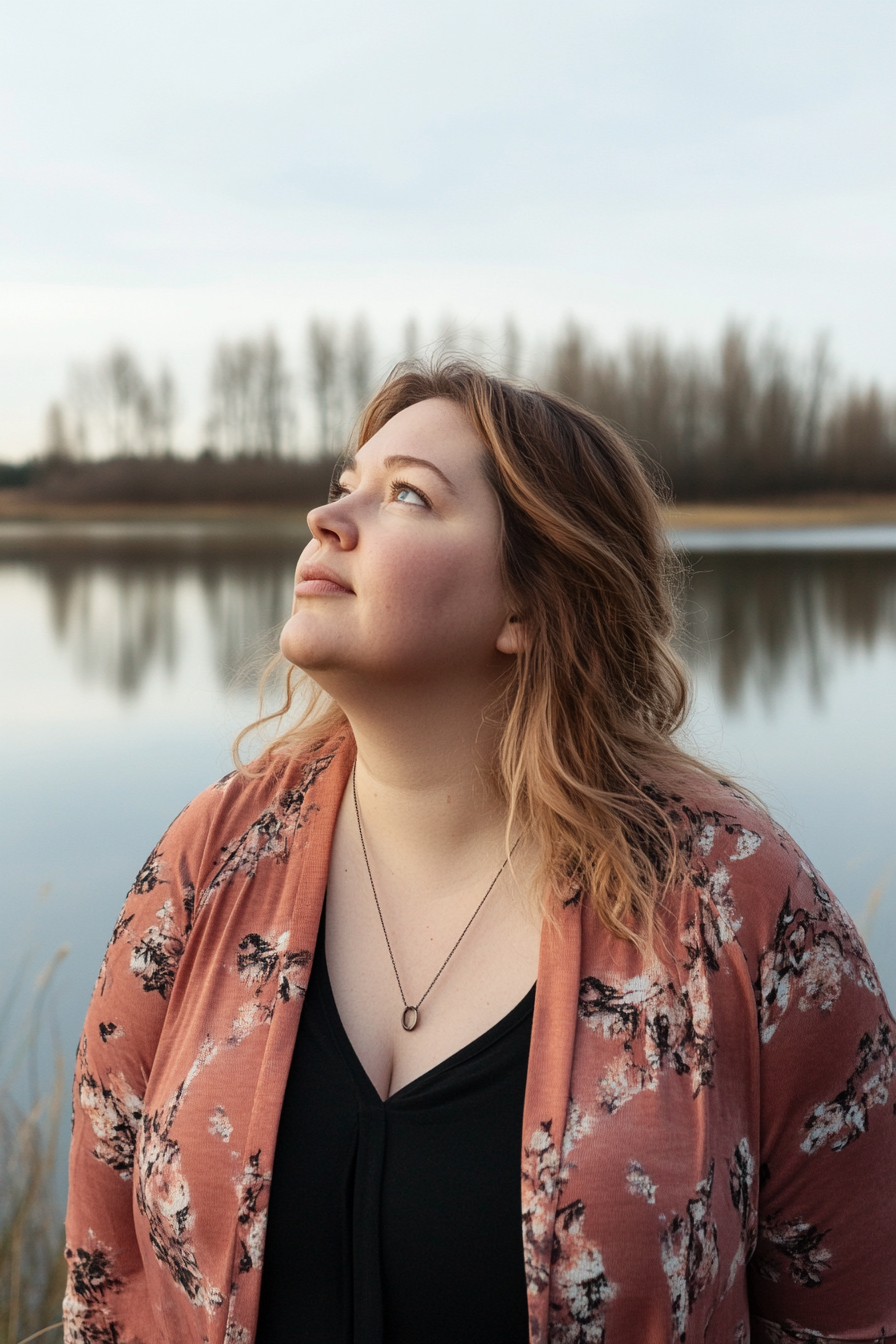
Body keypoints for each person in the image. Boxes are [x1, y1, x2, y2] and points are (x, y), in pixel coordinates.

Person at [64, 361, 896, 1344]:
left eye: (406, 494)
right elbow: (104, 1284)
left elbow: (855, 1313)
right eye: (345, 483)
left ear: (527, 607)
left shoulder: (734, 901)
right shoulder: (209, 863)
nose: (327, 517)